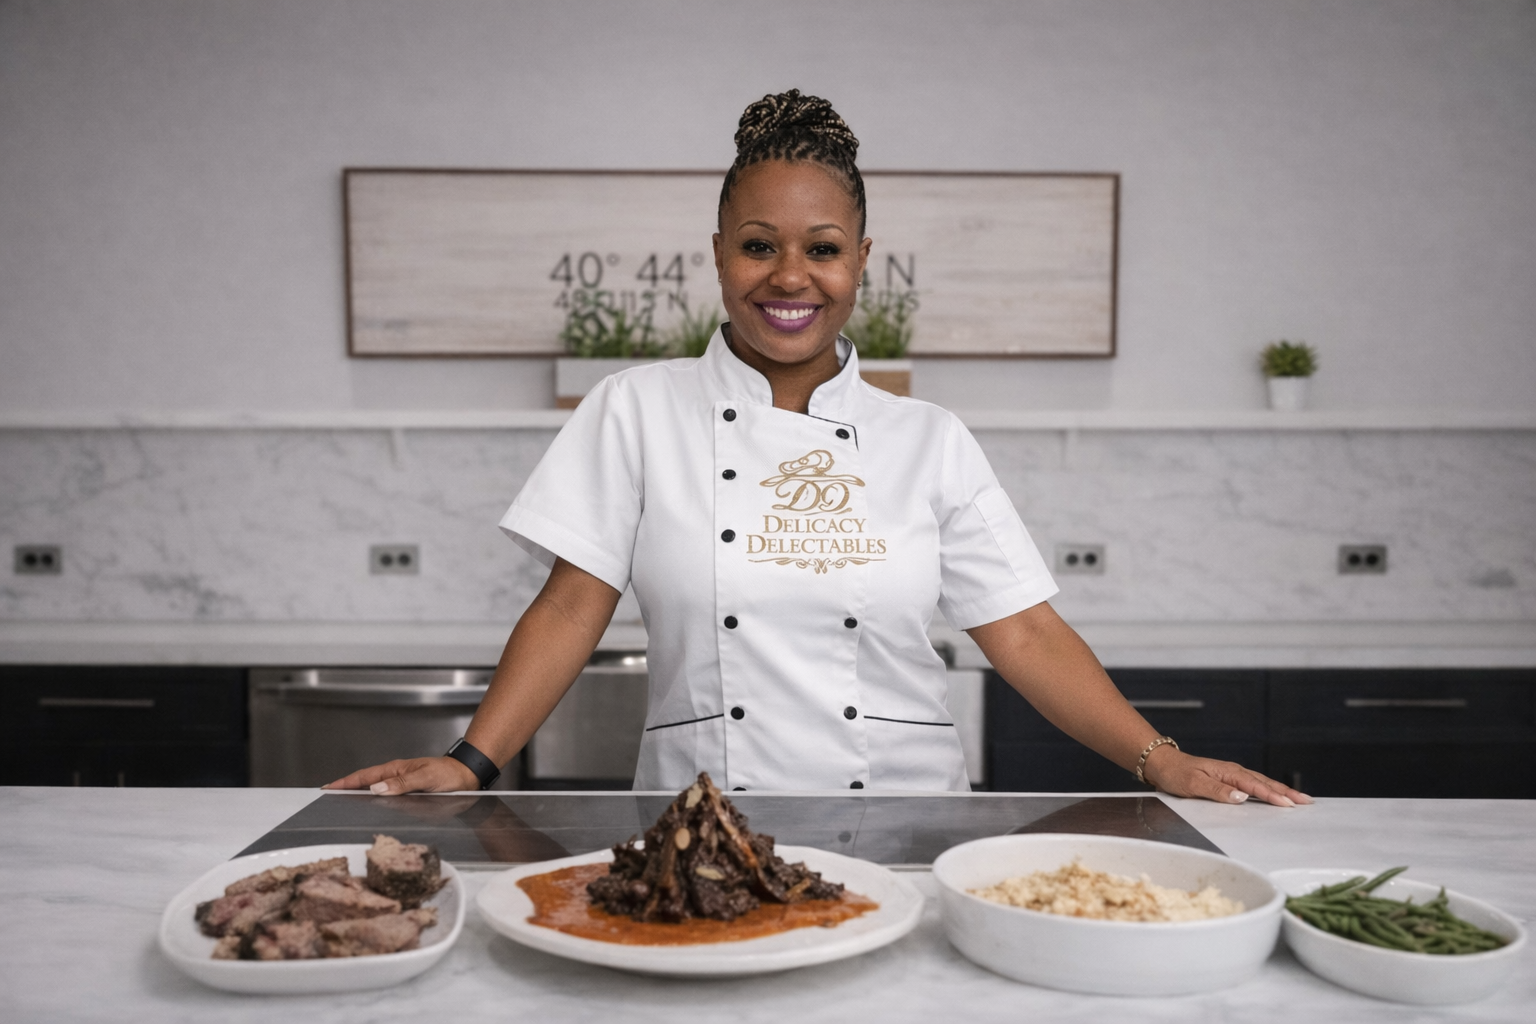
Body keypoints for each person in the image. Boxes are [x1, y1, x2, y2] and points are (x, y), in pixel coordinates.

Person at [328, 90, 1309, 808]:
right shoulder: (635, 409)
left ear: (862, 264)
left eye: (823, 248)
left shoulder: (929, 439)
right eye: (759, 246)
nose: (790, 275)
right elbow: (570, 606)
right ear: (718, 254)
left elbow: (1024, 633)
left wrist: (1161, 759)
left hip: (905, 817)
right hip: (695, 818)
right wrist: (472, 759)